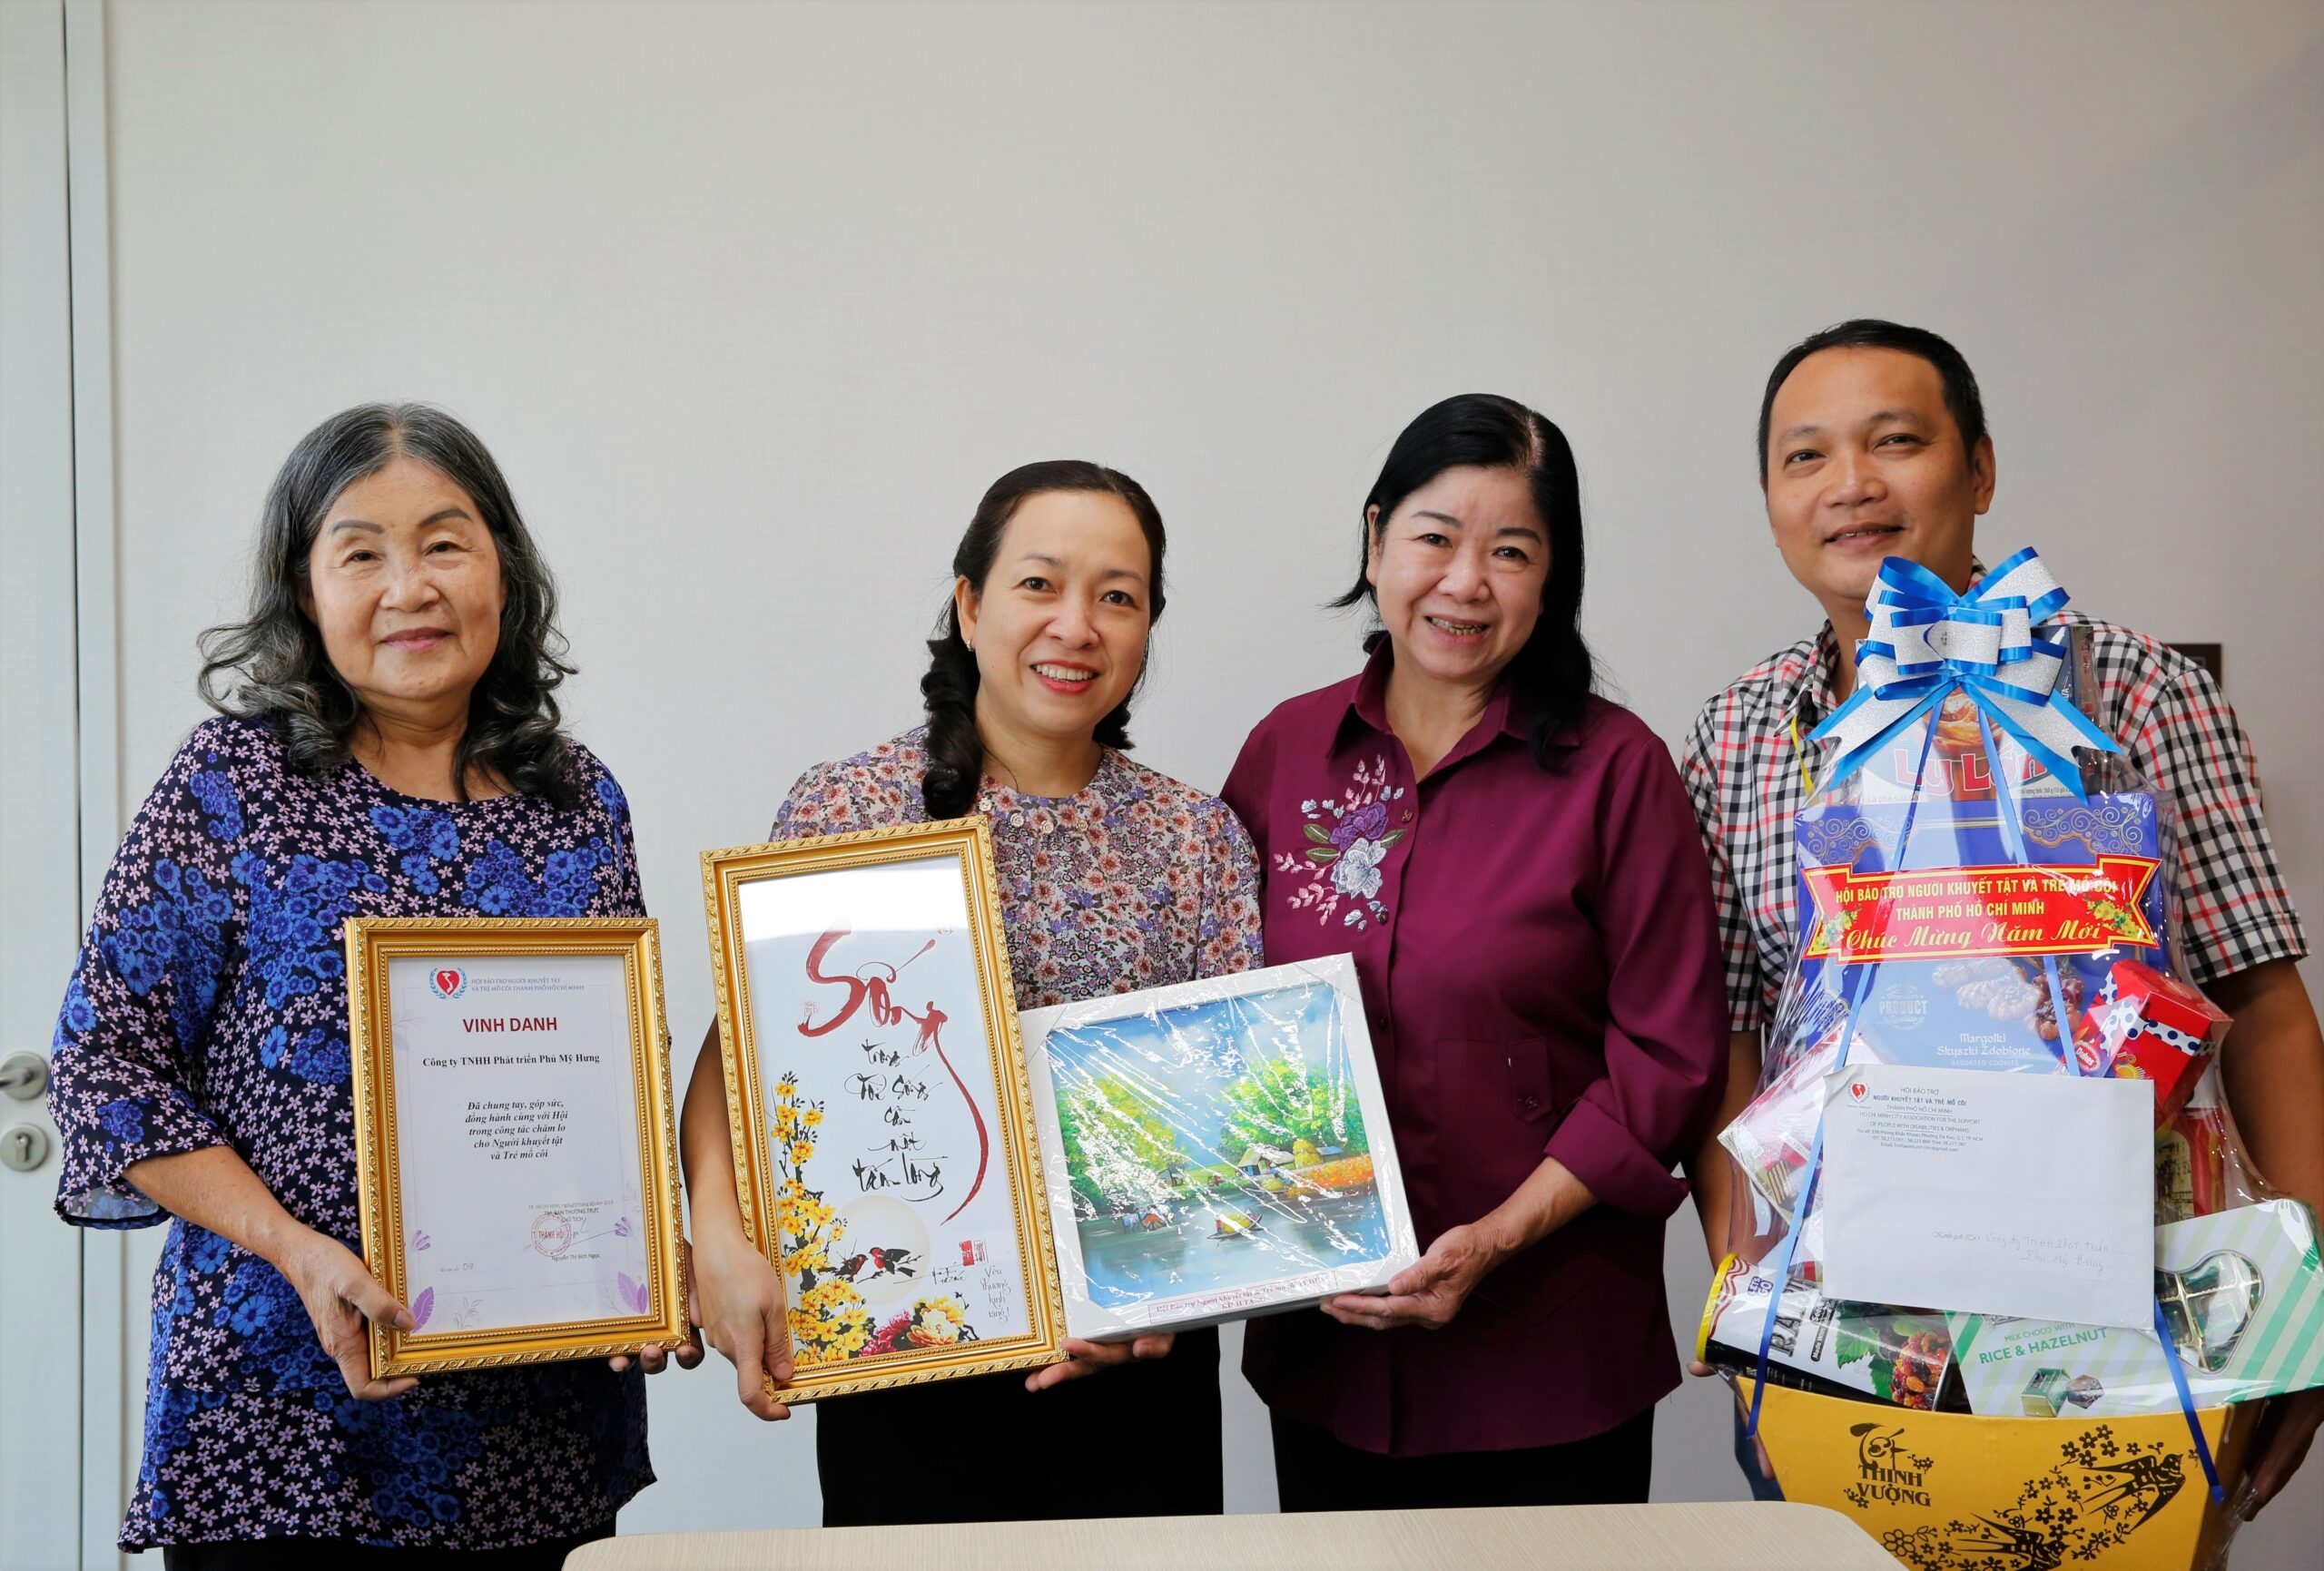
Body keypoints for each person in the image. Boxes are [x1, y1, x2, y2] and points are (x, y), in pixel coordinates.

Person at [1682, 319, 2324, 1515]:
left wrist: (2302, 1312)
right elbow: (1727, 1037)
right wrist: (1749, 1293)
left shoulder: (2136, 692)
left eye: (1896, 441)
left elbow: (2266, 1009)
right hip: (1843, 1333)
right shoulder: (1740, 733)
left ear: (1978, 470)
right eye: (1805, 455)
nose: (1851, 484)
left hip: (2126, 1328)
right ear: (1769, 497)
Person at [46, 405, 694, 1567]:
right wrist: (297, 1248)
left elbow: (612, 1071)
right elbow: (108, 1065)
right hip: (279, 1417)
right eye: (361, 553)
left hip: (534, 1424)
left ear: (505, 571)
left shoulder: (578, 800)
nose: (410, 588)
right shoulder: (232, 781)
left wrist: (640, 1262)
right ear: (305, 593)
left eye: (445, 544)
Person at [681, 459, 1264, 1526]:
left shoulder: (1197, 841)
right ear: (970, 603)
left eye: (1117, 597)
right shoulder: (851, 808)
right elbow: (743, 1055)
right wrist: (715, 1230)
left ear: (1146, 628)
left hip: (1135, 1366)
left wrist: (1173, 1288)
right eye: (1039, 583)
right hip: (900, 1343)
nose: (1075, 626)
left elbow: (1230, 1116)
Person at [1218, 394, 1728, 1511]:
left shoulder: (1617, 771)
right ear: (1375, 541)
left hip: (1549, 1348)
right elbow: (1223, 1020)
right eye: (1436, 538)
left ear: (1551, 580)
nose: (1464, 583)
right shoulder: (1285, 751)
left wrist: (1496, 1238)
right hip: (1329, 1350)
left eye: (1510, 552)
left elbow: (1667, 1053)